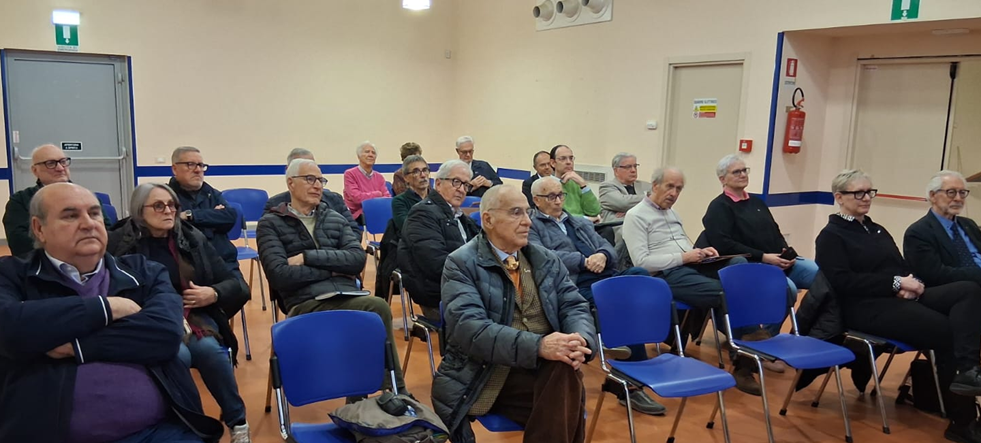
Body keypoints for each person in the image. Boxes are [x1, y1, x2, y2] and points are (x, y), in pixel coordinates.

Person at [0, 182, 222, 443]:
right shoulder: (12, 275)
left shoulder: (144, 272)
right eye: (70, 216)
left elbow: (165, 334)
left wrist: (75, 345)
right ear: (39, 228)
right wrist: (107, 308)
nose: (88, 224)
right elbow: (9, 327)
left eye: (94, 213)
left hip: (158, 432)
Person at [815, 169, 981, 443]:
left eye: (869, 192)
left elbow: (901, 265)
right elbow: (843, 282)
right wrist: (894, 284)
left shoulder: (876, 229)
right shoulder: (831, 235)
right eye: (859, 193)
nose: (866, 198)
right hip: (864, 308)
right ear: (839, 197)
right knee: (948, 330)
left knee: (968, 290)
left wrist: (909, 283)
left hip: (896, 297)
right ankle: (963, 421)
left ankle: (968, 371)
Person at [432, 185, 596, 443]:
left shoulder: (545, 259)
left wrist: (580, 340)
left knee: (563, 371)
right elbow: (471, 329)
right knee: (565, 390)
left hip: (544, 369)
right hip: (488, 372)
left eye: (528, 212)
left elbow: (575, 305)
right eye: (516, 213)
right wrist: (540, 346)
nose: (528, 221)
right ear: (488, 220)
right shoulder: (461, 263)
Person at [107, 183, 252, 443]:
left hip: (191, 317)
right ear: (140, 210)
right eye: (158, 206)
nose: (168, 211)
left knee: (212, 352)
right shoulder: (119, 241)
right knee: (177, 355)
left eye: (172, 205)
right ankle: (192, 426)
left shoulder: (191, 237)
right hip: (146, 320)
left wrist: (213, 293)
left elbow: (235, 283)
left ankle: (238, 423)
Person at [257, 159, 407, 395]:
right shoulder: (270, 224)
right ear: (290, 183)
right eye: (310, 179)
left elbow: (356, 260)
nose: (317, 185)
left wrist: (307, 257)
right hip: (305, 302)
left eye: (321, 180)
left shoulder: (334, 218)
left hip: (345, 295)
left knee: (375, 309)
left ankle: (387, 392)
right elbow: (280, 276)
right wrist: (334, 268)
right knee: (370, 311)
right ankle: (390, 393)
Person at [527, 175, 665, 416]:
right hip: (574, 283)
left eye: (561, 195)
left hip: (604, 274)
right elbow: (543, 257)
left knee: (641, 277)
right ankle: (630, 385)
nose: (558, 201)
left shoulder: (577, 221)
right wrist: (583, 261)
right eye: (551, 197)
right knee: (623, 305)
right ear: (537, 200)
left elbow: (607, 246)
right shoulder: (532, 226)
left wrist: (602, 255)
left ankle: (624, 369)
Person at [621, 167, 767, 395]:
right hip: (666, 275)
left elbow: (682, 246)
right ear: (655, 185)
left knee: (738, 265)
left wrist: (701, 252)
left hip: (690, 266)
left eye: (679, 189)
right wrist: (684, 257)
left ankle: (747, 342)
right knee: (728, 293)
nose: (674, 193)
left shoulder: (672, 214)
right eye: (670, 187)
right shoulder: (636, 216)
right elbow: (643, 263)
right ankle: (745, 359)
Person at [702, 154, 816, 374]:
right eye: (736, 172)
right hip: (752, 264)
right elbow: (724, 244)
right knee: (789, 290)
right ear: (722, 179)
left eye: (744, 170)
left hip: (777, 260)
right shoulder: (719, 207)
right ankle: (763, 343)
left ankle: (807, 332)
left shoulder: (756, 202)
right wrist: (764, 257)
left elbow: (775, 231)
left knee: (819, 275)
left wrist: (786, 252)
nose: (743, 175)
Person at [398, 160, 481, 320]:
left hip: (467, 288)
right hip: (440, 295)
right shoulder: (422, 214)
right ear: (438, 183)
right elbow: (436, 264)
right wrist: (479, 276)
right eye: (456, 182)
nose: (461, 189)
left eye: (466, 185)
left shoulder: (461, 217)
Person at [168, 146, 240, 276]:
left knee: (240, 287)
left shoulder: (212, 193)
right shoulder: (166, 196)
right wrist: (212, 217)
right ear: (175, 169)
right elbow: (174, 226)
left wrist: (190, 215)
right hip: (187, 266)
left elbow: (230, 216)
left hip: (224, 261)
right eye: (190, 164)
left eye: (201, 165)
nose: (198, 170)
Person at [4, 144, 85, 257]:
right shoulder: (20, 201)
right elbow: (19, 242)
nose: (60, 168)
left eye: (63, 162)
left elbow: (106, 232)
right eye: (50, 163)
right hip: (41, 263)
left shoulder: (86, 197)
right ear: (35, 170)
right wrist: (63, 252)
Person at [904, 170, 981, 287]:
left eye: (962, 192)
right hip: (960, 289)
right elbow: (935, 275)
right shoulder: (918, 232)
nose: (958, 198)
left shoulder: (969, 224)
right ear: (933, 196)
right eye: (951, 192)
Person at [264, 148, 361, 237]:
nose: (317, 185)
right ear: (290, 179)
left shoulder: (335, 200)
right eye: (308, 178)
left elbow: (354, 232)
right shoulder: (274, 205)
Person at [343, 141, 391, 225]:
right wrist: (378, 194)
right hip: (359, 216)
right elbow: (357, 198)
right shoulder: (350, 174)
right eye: (367, 152)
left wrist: (370, 198)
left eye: (373, 153)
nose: (370, 155)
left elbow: (387, 199)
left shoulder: (379, 177)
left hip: (378, 212)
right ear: (359, 156)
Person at [550, 145, 601, 218]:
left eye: (571, 158)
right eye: (563, 159)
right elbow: (560, 215)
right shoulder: (547, 185)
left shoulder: (577, 182)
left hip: (584, 224)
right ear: (553, 163)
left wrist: (583, 185)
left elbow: (594, 211)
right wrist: (586, 219)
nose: (569, 162)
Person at [598, 152, 650, 224]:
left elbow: (660, 204)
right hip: (619, 227)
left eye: (635, 166)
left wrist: (629, 212)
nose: (633, 170)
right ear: (616, 170)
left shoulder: (646, 186)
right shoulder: (606, 187)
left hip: (644, 226)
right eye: (628, 167)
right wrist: (649, 199)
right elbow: (623, 203)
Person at [391, 154, 432, 237]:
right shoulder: (400, 201)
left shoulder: (438, 198)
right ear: (406, 178)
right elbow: (408, 227)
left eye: (425, 170)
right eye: (416, 172)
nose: (423, 175)